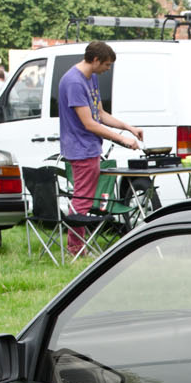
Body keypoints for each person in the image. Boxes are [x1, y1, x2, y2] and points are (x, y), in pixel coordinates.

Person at [58, 42, 143, 255]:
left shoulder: (90, 78)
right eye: (106, 64)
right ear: (95, 60)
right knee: (83, 198)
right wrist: (122, 140)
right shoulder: (74, 82)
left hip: (90, 148)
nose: (108, 69)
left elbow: (100, 114)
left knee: (84, 196)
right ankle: (76, 248)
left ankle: (77, 246)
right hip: (81, 148)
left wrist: (128, 128)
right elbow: (89, 123)